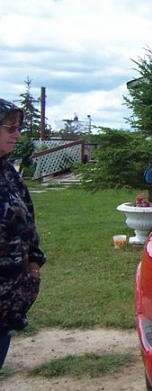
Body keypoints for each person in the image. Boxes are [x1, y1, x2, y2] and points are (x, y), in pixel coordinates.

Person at [0, 98, 45, 369]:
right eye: (10, 128)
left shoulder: (7, 171)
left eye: (19, 127)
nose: (18, 134)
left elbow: (26, 216)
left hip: (8, 301)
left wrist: (34, 261)